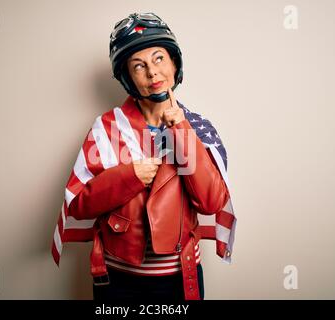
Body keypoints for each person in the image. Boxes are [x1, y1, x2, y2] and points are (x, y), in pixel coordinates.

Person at [51, 12, 236, 301]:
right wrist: (129, 176)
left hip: (180, 277)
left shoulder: (198, 127)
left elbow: (212, 202)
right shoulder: (106, 129)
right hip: (117, 279)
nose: (152, 73)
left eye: (159, 58)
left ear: (174, 62)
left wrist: (181, 129)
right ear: (127, 77)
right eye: (139, 66)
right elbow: (79, 206)